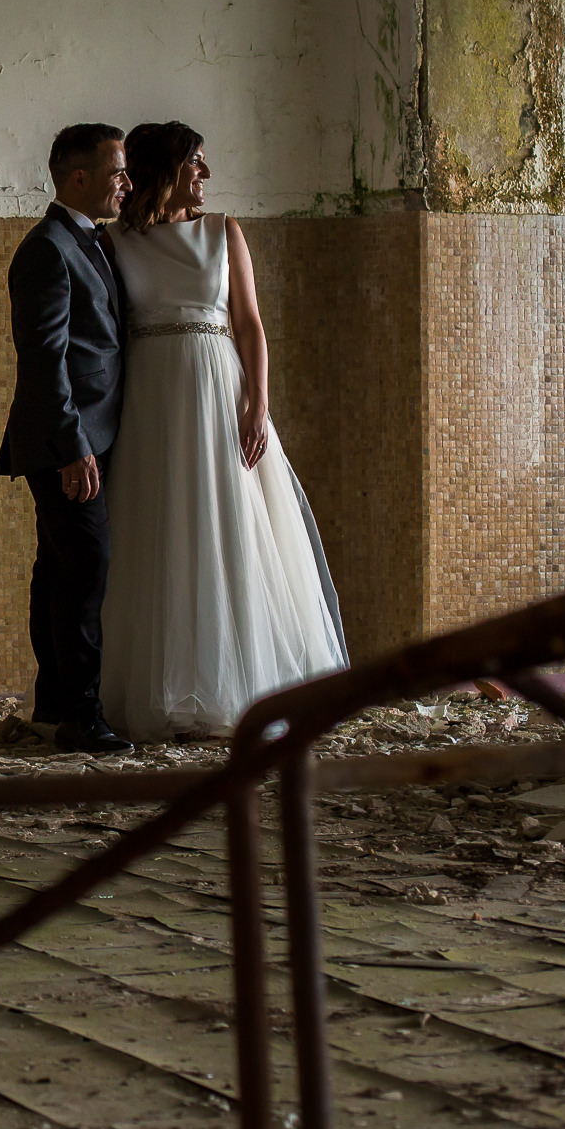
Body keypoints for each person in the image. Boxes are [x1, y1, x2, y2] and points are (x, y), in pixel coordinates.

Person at [98, 121, 347, 741]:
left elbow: (251, 324)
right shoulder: (115, 243)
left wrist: (258, 402)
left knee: (228, 528)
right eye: (196, 163)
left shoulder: (223, 232)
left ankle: (238, 689)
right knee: (159, 533)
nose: (206, 175)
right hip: (153, 399)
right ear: (166, 168)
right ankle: (159, 689)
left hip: (219, 392)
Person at [0, 124, 135, 754]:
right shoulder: (48, 248)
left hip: (89, 432)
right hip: (65, 439)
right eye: (115, 173)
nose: (125, 184)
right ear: (78, 178)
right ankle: (79, 715)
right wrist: (74, 445)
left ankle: (54, 706)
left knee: (58, 569)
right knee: (84, 568)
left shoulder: (95, 242)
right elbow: (44, 358)